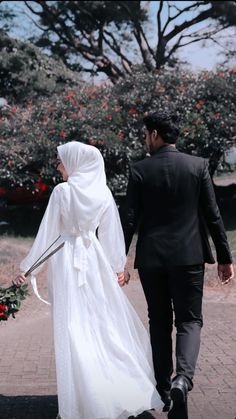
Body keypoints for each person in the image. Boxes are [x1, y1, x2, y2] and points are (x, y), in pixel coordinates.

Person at [13, 141, 163, 419]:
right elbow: (110, 234)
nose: (58, 166)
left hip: (68, 262)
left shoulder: (62, 192)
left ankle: (81, 401)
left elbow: (48, 234)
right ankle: (112, 389)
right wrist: (117, 266)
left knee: (73, 326)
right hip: (94, 262)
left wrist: (29, 268)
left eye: (61, 160)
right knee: (99, 323)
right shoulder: (103, 193)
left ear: (76, 163)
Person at [120, 112, 234, 419]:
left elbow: (129, 220)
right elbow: (213, 215)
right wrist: (225, 258)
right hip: (189, 257)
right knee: (189, 321)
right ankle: (182, 380)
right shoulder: (197, 166)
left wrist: (119, 260)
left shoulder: (140, 169)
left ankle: (161, 388)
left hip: (152, 260)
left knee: (158, 321)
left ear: (155, 134)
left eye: (146, 134)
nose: (145, 139)